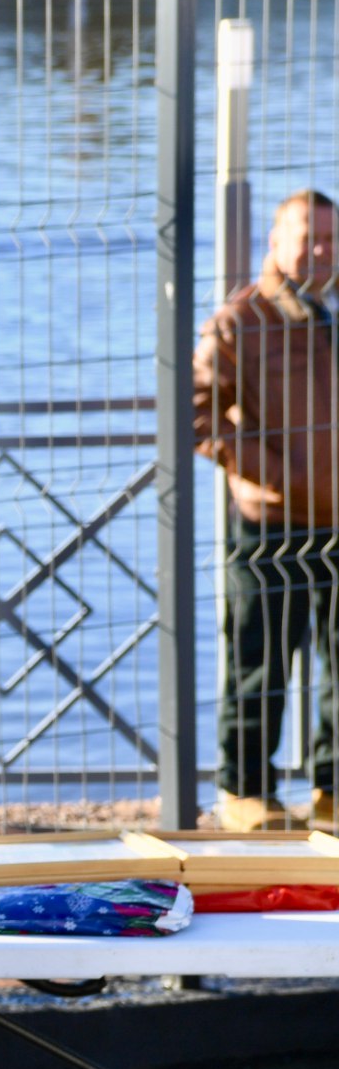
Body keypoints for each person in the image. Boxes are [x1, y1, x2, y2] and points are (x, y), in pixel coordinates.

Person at [194, 188, 339, 832]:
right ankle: (245, 791)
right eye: (308, 238)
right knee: (260, 660)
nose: (321, 251)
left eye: (331, 239)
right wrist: (279, 476)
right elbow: (196, 412)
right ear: (276, 243)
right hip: (271, 523)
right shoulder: (239, 321)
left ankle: (332, 790)